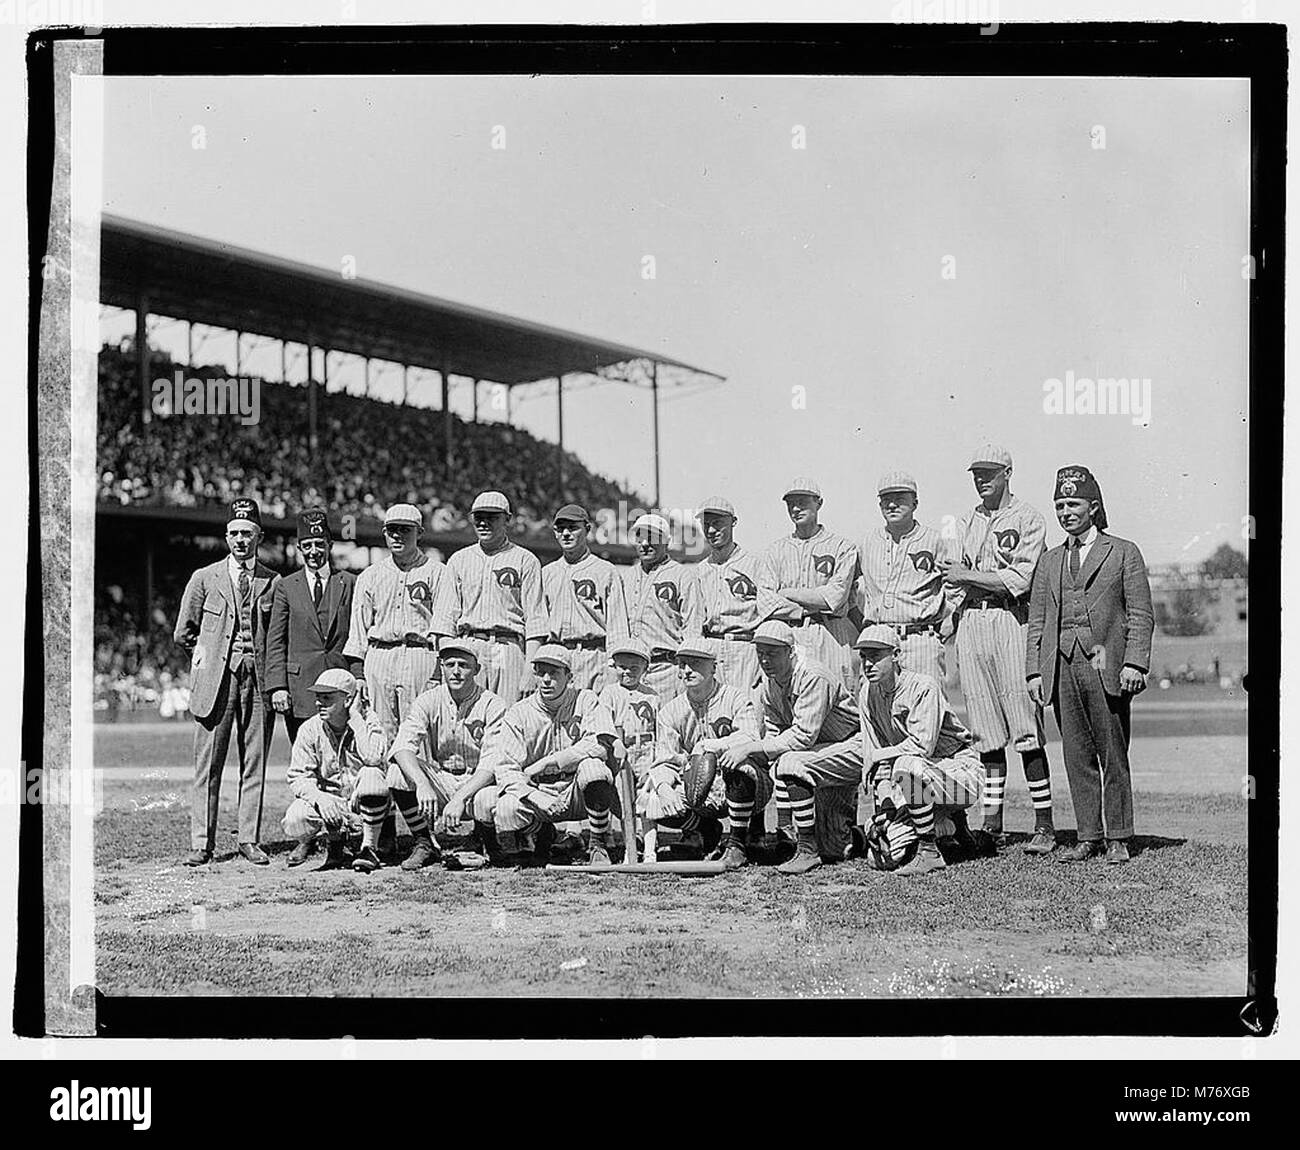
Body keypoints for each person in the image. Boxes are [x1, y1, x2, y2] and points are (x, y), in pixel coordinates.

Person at [1026, 466, 1154, 866]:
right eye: (1059, 505)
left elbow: (1141, 614)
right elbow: (1038, 621)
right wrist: (1034, 671)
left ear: (1093, 507)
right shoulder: (1049, 562)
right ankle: (1088, 835)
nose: (1065, 512)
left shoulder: (1122, 551)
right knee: (1076, 754)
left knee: (1112, 750)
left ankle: (1118, 836)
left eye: (1073, 504)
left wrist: (1135, 663)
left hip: (1107, 664)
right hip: (1062, 665)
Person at [944, 445, 1057, 854]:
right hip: (973, 621)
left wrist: (969, 576)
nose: (981, 478)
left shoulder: (1028, 517)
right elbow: (954, 580)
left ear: (1008, 472)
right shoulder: (968, 520)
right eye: (976, 472)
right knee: (986, 731)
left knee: (1025, 727)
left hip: (1011, 620)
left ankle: (1044, 824)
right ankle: (991, 823)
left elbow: (1020, 579)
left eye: (989, 471)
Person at [173, 498, 281, 866]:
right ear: (226, 537)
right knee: (208, 765)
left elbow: (276, 635)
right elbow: (183, 633)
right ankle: (201, 843)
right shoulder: (204, 578)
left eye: (247, 534)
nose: (240, 540)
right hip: (216, 682)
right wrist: (208, 661)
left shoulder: (272, 582)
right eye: (234, 533)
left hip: (258, 680)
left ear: (259, 536)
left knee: (255, 762)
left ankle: (249, 838)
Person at [730, 620, 862, 875]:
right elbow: (775, 729)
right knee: (835, 848)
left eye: (772, 653)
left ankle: (805, 850)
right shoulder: (771, 681)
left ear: (790, 651)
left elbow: (802, 736)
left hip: (849, 747)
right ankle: (855, 837)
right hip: (820, 753)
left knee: (790, 761)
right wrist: (764, 753)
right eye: (761, 653)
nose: (765, 660)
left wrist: (751, 749)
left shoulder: (812, 674)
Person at [856, 625, 983, 876]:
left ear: (895, 655)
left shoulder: (923, 686)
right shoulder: (867, 693)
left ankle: (929, 852)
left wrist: (879, 756)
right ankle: (947, 827)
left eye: (875, 655)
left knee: (906, 764)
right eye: (864, 656)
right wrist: (886, 814)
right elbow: (877, 761)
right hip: (919, 782)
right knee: (880, 857)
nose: (868, 663)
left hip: (961, 773)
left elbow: (921, 746)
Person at [640, 639, 769, 869]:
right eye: (683, 664)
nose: (688, 670)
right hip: (699, 787)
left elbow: (751, 737)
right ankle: (706, 829)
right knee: (652, 799)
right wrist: (664, 788)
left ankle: (737, 844)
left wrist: (715, 745)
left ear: (713, 667)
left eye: (696, 663)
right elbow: (665, 760)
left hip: (742, 785)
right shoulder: (671, 711)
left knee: (739, 764)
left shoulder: (735, 697)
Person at [491, 645, 618, 866]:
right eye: (541, 673)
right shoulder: (519, 712)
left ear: (569, 676)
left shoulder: (585, 699)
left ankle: (597, 844)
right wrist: (531, 795)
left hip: (575, 790)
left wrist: (550, 761)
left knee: (595, 769)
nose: (546, 680)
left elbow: (599, 745)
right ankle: (543, 833)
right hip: (539, 791)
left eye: (554, 673)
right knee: (505, 810)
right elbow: (505, 768)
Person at [388, 638, 508, 869]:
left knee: (488, 797)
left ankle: (489, 842)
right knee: (396, 772)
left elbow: (494, 762)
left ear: (476, 669)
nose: (456, 671)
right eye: (449, 664)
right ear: (441, 667)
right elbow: (403, 745)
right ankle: (424, 842)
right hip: (443, 777)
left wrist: (459, 798)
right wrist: (423, 784)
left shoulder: (492, 703)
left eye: (463, 665)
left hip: (479, 782)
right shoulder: (429, 699)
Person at [343, 503, 448, 742]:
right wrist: (358, 675)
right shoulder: (370, 575)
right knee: (380, 733)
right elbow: (358, 632)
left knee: (420, 734)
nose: (398, 535)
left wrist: (438, 672)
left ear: (419, 533)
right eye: (392, 530)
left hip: (420, 654)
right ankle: (382, 781)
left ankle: (420, 781)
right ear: (385, 533)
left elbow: (444, 627)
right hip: (379, 656)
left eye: (405, 529)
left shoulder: (438, 572)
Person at [437, 490, 548, 705]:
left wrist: (530, 668)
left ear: (507, 519)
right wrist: (449, 664)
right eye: (479, 517)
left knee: (508, 722)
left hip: (508, 647)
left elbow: (536, 621)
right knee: (467, 722)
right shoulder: (459, 560)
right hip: (468, 645)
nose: (484, 523)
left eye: (492, 517)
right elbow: (444, 620)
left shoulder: (525, 560)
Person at [759, 478, 862, 696]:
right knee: (793, 701)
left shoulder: (842, 547)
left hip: (831, 634)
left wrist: (786, 594)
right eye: (791, 504)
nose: (796, 509)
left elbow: (834, 598)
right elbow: (765, 603)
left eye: (803, 502)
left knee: (839, 701)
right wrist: (809, 605)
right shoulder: (774, 551)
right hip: (791, 635)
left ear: (819, 503)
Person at [281, 669, 390, 870]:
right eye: (318, 697)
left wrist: (356, 720)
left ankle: (369, 847)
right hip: (332, 802)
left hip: (363, 798)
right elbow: (298, 777)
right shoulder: (310, 728)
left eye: (327, 698)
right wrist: (320, 799)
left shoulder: (369, 721)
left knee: (372, 774)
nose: (318, 703)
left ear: (348, 700)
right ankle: (335, 840)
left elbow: (373, 759)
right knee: (295, 819)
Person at [266, 508, 356, 745]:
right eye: (307, 545)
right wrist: (277, 687)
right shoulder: (286, 587)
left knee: (341, 756)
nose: (314, 552)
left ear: (330, 545)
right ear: (300, 548)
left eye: (319, 544)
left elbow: (358, 635)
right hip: (300, 689)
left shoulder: (348, 582)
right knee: (304, 756)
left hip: (339, 685)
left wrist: (358, 678)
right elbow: (276, 640)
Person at [859, 471, 958, 684]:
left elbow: (957, 585)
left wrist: (952, 619)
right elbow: (846, 586)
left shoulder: (934, 540)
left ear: (915, 503)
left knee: (928, 708)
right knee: (880, 711)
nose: (892, 505)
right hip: (878, 641)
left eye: (900, 499)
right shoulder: (867, 543)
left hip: (920, 639)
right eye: (886, 499)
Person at [541, 502, 630, 690]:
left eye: (573, 528)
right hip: (557, 656)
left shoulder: (605, 571)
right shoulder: (547, 573)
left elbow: (618, 628)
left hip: (594, 656)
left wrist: (615, 669)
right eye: (560, 529)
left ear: (587, 529)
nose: (566, 533)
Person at [623, 512, 702, 706]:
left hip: (667, 668)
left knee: (668, 729)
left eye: (652, 538)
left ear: (666, 541)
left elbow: (693, 626)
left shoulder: (682, 575)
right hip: (633, 670)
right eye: (640, 538)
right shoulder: (626, 576)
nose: (645, 544)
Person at [690, 495, 765, 695]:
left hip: (745, 648)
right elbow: (695, 621)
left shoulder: (754, 564)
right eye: (707, 525)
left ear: (733, 522)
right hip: (711, 647)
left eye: (717, 523)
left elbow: (768, 614)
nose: (711, 530)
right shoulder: (700, 569)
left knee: (749, 714)